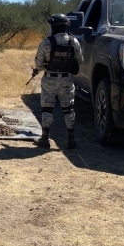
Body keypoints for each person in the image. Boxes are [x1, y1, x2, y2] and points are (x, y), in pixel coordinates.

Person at [32, 13, 84, 149]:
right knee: (68, 109)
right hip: (67, 79)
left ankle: (45, 139)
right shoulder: (74, 41)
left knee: (47, 108)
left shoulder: (46, 43)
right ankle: (71, 140)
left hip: (50, 79)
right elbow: (80, 61)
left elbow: (39, 65)